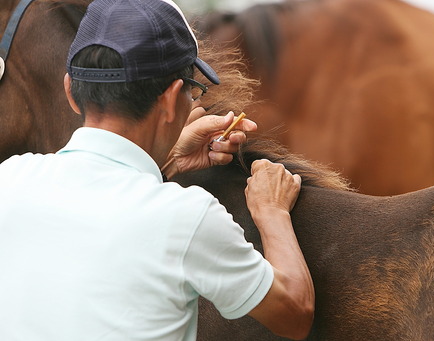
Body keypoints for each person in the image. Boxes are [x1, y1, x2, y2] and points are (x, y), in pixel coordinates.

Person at [0, 0, 314, 340]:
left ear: (71, 93)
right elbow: (294, 313)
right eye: (194, 91)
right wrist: (271, 210)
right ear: (170, 99)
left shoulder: (10, 179)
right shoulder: (189, 216)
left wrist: (165, 163)